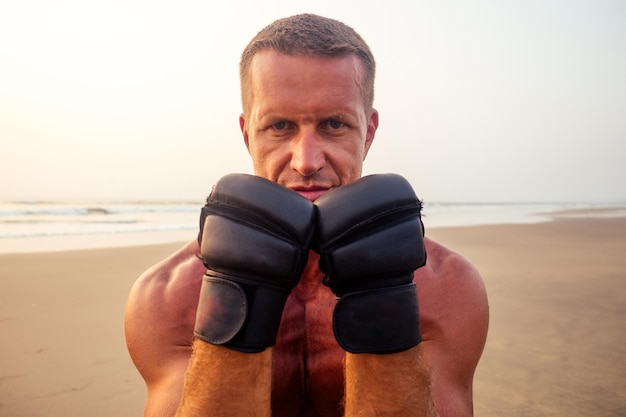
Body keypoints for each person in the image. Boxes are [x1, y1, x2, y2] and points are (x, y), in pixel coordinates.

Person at [125, 13, 489, 417]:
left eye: (334, 124)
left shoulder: (446, 286)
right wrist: (236, 292)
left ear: (367, 132)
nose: (306, 161)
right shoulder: (169, 295)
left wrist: (382, 293)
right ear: (248, 134)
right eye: (280, 126)